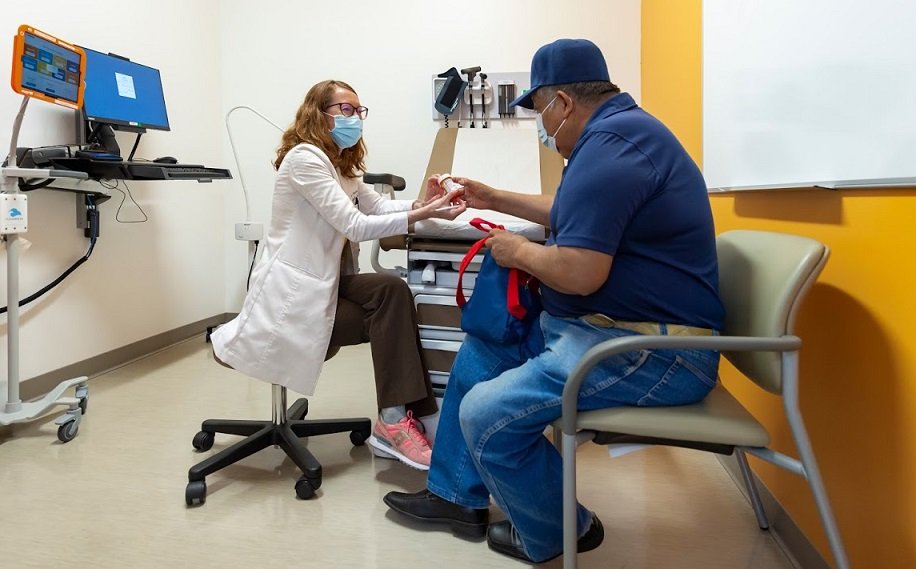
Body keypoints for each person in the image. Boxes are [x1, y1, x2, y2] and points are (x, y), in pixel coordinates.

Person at [383, 39, 725, 562]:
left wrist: (517, 251)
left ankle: (564, 530)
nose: (540, 125)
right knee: (484, 347)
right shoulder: (615, 137)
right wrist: (491, 197)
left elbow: (581, 272)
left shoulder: (614, 149)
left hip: (652, 352)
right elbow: (568, 210)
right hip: (613, 331)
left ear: (562, 102)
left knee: (484, 414)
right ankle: (456, 496)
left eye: (539, 109)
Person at [211, 79, 467, 471]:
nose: (355, 118)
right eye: (345, 110)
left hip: (327, 283)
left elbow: (377, 206)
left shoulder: (340, 165)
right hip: (292, 298)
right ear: (320, 113)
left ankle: (404, 418)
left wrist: (424, 202)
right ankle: (399, 422)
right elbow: (357, 224)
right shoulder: (304, 160)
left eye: (359, 111)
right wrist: (426, 214)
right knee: (389, 311)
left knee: (391, 290)